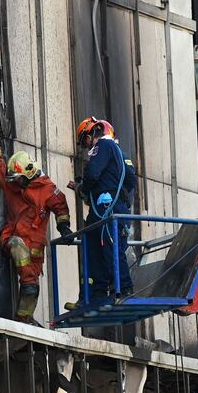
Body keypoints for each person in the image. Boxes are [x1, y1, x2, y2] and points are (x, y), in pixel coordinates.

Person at [0, 125, 72, 323]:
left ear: (28, 174)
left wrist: (63, 226)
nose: (14, 183)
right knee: (18, 247)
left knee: (31, 289)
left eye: (17, 179)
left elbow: (61, 206)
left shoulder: (47, 189)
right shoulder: (12, 184)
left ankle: (23, 319)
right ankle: (27, 283)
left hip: (35, 248)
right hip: (12, 238)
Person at [67, 117, 136, 306]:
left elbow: (92, 173)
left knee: (110, 247)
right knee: (95, 249)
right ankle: (96, 294)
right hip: (106, 208)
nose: (85, 146)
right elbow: (130, 180)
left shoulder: (103, 146)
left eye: (84, 140)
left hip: (107, 208)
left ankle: (124, 288)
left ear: (92, 133)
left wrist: (85, 188)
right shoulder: (120, 154)